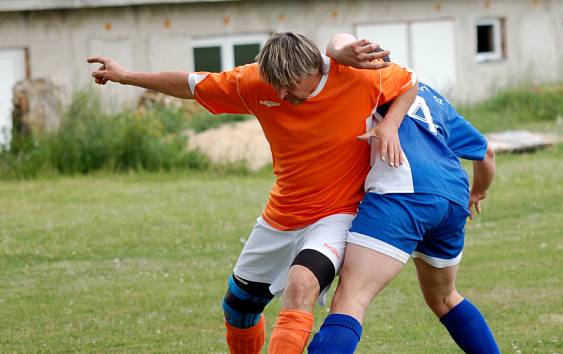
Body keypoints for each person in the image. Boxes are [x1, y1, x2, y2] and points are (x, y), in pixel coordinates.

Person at [88, 31, 417, 354]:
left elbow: (408, 82)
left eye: (290, 85)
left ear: (315, 68)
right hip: (281, 216)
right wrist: (126, 76)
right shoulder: (255, 82)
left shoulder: (359, 78)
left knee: (301, 285)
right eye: (278, 86)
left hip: (337, 214)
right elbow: (190, 83)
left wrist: (389, 125)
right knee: (239, 310)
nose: (283, 94)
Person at [308, 34, 499, 353]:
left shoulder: (374, 79)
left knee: (350, 298)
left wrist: (342, 49)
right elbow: (487, 154)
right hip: (451, 196)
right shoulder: (434, 99)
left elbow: (338, 41)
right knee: (445, 298)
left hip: (405, 191)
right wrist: (477, 193)